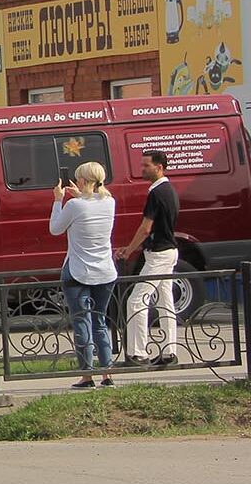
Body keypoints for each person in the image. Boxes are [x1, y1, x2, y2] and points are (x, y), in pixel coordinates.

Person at [51, 160, 119, 389]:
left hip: (78, 271)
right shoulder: (110, 202)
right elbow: (93, 203)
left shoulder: (74, 205)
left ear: (83, 180)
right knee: (100, 322)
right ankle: (107, 373)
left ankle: (87, 375)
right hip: (105, 271)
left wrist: (58, 200)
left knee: (82, 322)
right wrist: (80, 195)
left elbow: (55, 229)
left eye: (79, 177)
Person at [120, 149, 181, 366]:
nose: (142, 169)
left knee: (136, 300)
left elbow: (146, 228)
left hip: (158, 254)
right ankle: (169, 352)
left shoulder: (156, 193)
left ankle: (138, 353)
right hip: (169, 250)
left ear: (159, 167)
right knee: (165, 302)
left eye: (146, 165)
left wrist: (128, 250)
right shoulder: (170, 190)